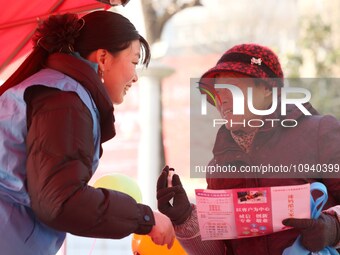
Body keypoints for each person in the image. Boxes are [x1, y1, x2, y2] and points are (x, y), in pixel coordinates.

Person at [0, 10, 175, 255]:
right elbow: (61, 201)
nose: (135, 77)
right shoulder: (64, 102)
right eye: (134, 62)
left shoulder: (56, 89)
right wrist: (145, 217)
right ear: (103, 58)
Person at [156, 43, 340, 255]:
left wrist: (333, 227)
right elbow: (219, 252)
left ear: (268, 90)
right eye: (217, 91)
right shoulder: (218, 167)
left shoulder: (320, 132)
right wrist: (185, 218)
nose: (221, 98)